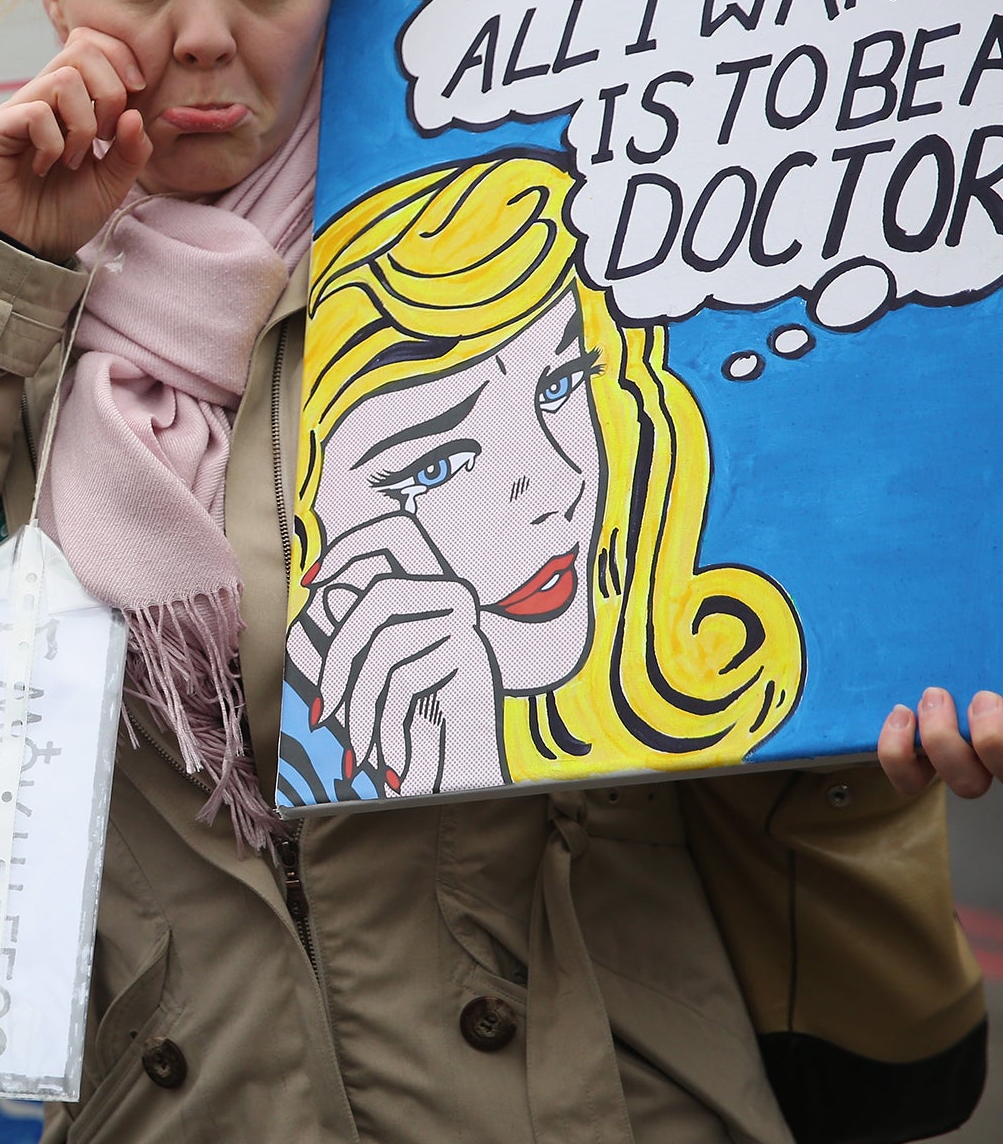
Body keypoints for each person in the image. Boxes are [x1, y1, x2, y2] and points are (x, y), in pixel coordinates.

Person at [0, 0, 983, 1144]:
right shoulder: (4, 319)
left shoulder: (534, 262)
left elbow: (738, 609)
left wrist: (866, 746)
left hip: (595, 1136)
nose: (202, 32)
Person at [285, 156, 803, 803]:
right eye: (435, 467)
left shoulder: (690, 688)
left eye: (559, 386)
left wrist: (845, 794)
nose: (560, 486)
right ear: (305, 526)